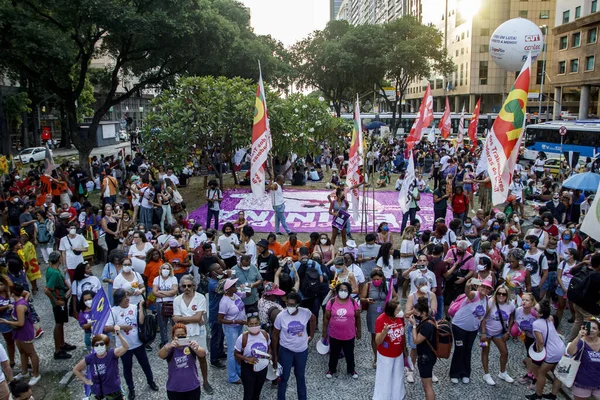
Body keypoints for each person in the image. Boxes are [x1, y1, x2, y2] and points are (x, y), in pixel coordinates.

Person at [105, 289, 158, 399]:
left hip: (138, 343)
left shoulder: (134, 307)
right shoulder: (113, 311)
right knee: (127, 368)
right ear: (119, 299)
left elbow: (141, 322)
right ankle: (131, 388)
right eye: (125, 297)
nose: (128, 299)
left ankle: (151, 381)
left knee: (145, 364)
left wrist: (140, 308)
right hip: (124, 346)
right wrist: (122, 327)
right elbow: (106, 328)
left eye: (127, 296)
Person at [172, 275, 213, 394]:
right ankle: (190, 381)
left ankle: (205, 381)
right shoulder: (177, 300)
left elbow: (198, 317)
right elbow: (176, 319)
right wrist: (194, 318)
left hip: (198, 333)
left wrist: (182, 318)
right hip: (183, 335)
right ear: (181, 287)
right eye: (184, 286)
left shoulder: (200, 298)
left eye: (189, 286)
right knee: (186, 359)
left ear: (194, 286)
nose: (186, 288)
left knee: (202, 357)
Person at [271, 292, 315, 400]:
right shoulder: (281, 316)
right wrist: (275, 355)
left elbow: (313, 319)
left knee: (300, 376)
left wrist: (311, 335)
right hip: (286, 351)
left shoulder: (305, 313)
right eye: (287, 304)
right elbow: (275, 336)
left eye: (292, 305)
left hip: (301, 351)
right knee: (283, 377)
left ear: (298, 305)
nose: (289, 307)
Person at [449, 277, 491, 384]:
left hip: (472, 329)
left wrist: (483, 333)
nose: (485, 289)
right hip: (459, 326)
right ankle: (454, 373)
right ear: (479, 286)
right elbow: (467, 292)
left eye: (488, 288)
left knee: (468, 350)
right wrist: (467, 285)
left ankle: (465, 373)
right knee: (459, 348)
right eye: (483, 286)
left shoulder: (486, 300)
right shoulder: (474, 295)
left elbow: (483, 318)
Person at [0, 284, 40, 386]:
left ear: (13, 293)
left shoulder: (20, 306)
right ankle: (24, 372)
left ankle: (36, 374)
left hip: (24, 331)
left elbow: (20, 323)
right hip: (18, 332)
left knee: (31, 352)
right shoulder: (18, 302)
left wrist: (6, 322)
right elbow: (26, 293)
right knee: (22, 352)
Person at [73, 327, 129, 400]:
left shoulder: (112, 354)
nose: (99, 346)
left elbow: (126, 347)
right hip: (97, 393)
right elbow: (76, 370)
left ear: (106, 345)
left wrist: (118, 334)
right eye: (96, 345)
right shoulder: (90, 358)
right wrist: (86, 380)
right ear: (93, 346)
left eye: (101, 344)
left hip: (114, 392)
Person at [526, 301, 565, 400]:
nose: (533, 310)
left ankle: (538, 395)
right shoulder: (549, 318)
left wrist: (539, 354)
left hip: (552, 352)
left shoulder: (536, 324)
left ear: (541, 314)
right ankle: (553, 395)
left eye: (535, 309)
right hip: (561, 348)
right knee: (557, 373)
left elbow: (541, 342)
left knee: (541, 373)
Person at [322, 282, 361, 379]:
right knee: (334, 353)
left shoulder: (353, 302)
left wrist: (359, 330)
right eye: (341, 290)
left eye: (345, 290)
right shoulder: (331, 302)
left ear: (349, 291)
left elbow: (358, 317)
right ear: (337, 291)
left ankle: (351, 369)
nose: (343, 292)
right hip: (335, 334)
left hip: (349, 334)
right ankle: (331, 369)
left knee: (349, 353)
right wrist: (324, 332)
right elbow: (326, 318)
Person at [158, 323, 206, 400]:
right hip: (174, 388)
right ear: (173, 336)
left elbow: (202, 354)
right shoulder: (170, 347)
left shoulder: (191, 345)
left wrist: (196, 347)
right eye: (177, 335)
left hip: (193, 387)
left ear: (186, 335)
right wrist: (168, 347)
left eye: (182, 335)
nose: (180, 337)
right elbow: (160, 355)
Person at [43, 251, 76, 360]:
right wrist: (56, 301)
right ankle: (58, 350)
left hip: (62, 298)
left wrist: (69, 288)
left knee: (61, 323)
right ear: (58, 260)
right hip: (59, 301)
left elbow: (63, 279)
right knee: (58, 323)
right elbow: (47, 290)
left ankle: (62, 344)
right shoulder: (54, 273)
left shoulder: (52, 269)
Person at [404, 277, 438, 384]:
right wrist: (415, 310)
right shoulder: (412, 296)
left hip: (427, 326)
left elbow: (434, 311)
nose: (424, 285)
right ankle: (411, 370)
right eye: (422, 284)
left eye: (425, 283)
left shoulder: (431, 295)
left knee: (430, 349)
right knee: (414, 349)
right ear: (417, 286)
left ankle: (429, 371)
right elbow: (406, 313)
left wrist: (425, 310)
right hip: (415, 326)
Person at [361, 269, 397, 368]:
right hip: (373, 313)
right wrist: (366, 300)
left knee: (387, 335)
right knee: (374, 335)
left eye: (378, 279)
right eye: (374, 279)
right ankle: (376, 358)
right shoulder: (368, 285)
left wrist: (390, 303)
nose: (376, 280)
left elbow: (395, 297)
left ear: (382, 278)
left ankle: (387, 355)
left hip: (385, 313)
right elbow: (362, 298)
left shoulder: (387, 285)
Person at [480, 285, 515, 386]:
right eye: (499, 293)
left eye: (503, 294)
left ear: (507, 295)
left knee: (504, 352)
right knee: (485, 351)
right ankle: (486, 374)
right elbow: (483, 318)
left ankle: (502, 372)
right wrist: (483, 333)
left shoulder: (510, 305)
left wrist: (508, 331)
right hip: (485, 333)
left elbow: (512, 316)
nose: (501, 295)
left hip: (499, 333)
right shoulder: (490, 303)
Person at [372, 299, 406, 400]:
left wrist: (405, 349)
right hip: (385, 354)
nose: (400, 312)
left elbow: (402, 333)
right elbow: (377, 341)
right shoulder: (381, 320)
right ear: (391, 311)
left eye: (400, 309)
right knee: (385, 377)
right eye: (397, 310)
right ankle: (382, 397)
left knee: (398, 375)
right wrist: (384, 332)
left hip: (398, 353)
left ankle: (397, 396)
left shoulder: (400, 318)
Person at [234, 314, 272, 400]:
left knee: (257, 392)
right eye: (251, 324)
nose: (254, 326)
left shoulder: (265, 334)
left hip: (262, 367)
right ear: (247, 325)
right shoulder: (243, 338)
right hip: (248, 368)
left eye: (256, 323)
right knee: (248, 393)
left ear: (260, 323)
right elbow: (236, 353)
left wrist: (269, 354)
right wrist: (247, 358)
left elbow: (269, 348)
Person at [218, 278, 247, 384]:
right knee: (232, 352)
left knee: (239, 349)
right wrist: (235, 320)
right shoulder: (224, 302)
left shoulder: (236, 295)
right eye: (234, 285)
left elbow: (247, 294)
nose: (236, 286)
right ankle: (232, 376)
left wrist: (246, 288)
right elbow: (220, 319)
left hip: (239, 326)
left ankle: (239, 370)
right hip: (232, 329)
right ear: (228, 289)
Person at [409, 297, 437, 400]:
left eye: (417, 313)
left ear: (423, 313)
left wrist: (414, 326)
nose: (415, 315)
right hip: (429, 356)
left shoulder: (426, 326)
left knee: (427, 387)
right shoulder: (430, 319)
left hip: (426, 357)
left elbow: (416, 341)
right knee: (427, 385)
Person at [566, 317, 600, 400]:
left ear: (599, 331)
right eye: (589, 327)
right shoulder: (582, 342)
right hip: (582, 382)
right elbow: (570, 351)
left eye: (594, 328)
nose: (591, 330)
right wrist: (578, 337)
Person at [568, 254, 600, 341]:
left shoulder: (585, 268)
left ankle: (570, 342)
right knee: (590, 326)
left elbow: (571, 271)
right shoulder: (596, 276)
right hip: (588, 307)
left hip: (578, 302)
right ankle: (586, 345)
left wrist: (582, 263)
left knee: (578, 322)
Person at [207, 264, 227, 369]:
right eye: (218, 269)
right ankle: (214, 359)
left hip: (221, 311)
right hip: (215, 313)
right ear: (213, 272)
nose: (221, 269)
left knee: (221, 334)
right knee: (216, 336)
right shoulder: (212, 283)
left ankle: (220, 352)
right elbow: (223, 289)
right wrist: (227, 277)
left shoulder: (217, 281)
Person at [153, 263, 178, 347]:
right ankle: (164, 341)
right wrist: (168, 293)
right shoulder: (157, 279)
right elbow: (154, 292)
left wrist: (161, 291)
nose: (165, 270)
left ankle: (175, 340)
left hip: (172, 303)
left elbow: (174, 291)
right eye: (164, 268)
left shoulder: (173, 278)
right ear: (161, 269)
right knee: (162, 324)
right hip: (160, 303)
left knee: (174, 323)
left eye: (167, 268)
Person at [556, 248, 578, 328]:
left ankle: (576, 326)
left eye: (566, 253)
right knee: (560, 306)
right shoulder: (562, 263)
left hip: (572, 289)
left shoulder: (577, 264)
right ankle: (556, 324)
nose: (564, 254)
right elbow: (558, 276)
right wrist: (563, 288)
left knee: (573, 308)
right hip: (562, 288)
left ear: (572, 255)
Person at [523, 235, 549, 301]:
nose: (525, 244)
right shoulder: (524, 253)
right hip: (524, 284)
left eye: (527, 242)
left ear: (533, 243)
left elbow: (545, 272)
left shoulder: (541, 256)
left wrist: (539, 286)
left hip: (535, 284)